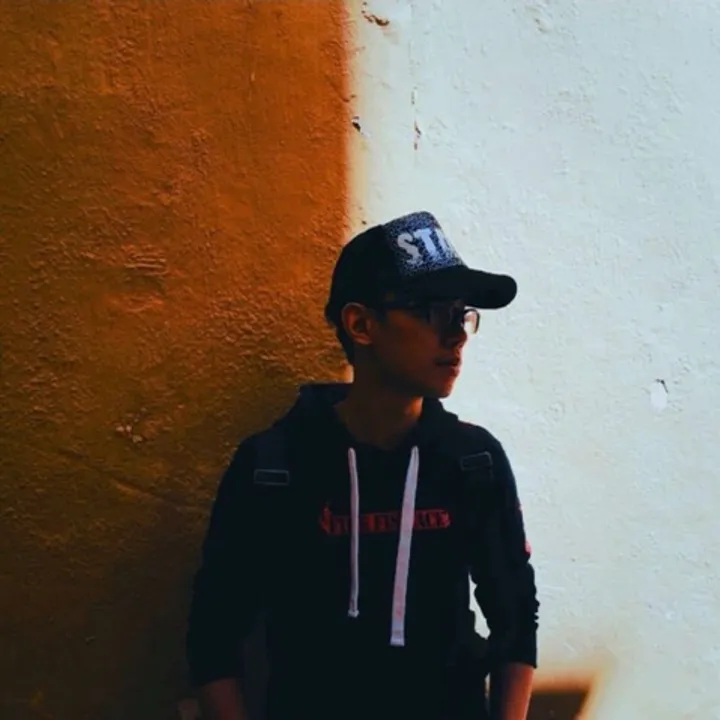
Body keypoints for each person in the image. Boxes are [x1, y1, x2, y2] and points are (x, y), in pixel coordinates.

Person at [186, 211, 539, 720]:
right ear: (360, 324)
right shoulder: (273, 468)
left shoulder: (472, 461)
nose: (456, 335)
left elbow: (516, 619)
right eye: (431, 311)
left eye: (461, 314)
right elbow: (213, 636)